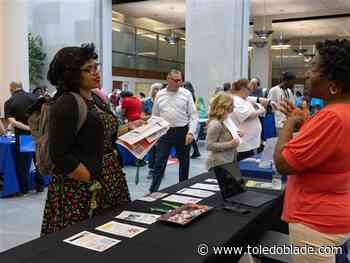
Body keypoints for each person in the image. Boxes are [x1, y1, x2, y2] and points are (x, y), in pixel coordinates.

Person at [41, 43, 130, 235]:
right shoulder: (67, 103)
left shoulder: (95, 98)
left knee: (114, 234)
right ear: (71, 74)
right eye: (88, 69)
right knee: (83, 239)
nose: (95, 72)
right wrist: (90, 178)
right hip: (81, 186)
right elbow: (60, 154)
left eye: (95, 67)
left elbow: (104, 135)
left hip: (109, 176)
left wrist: (131, 128)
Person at [274, 39, 350, 263]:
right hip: (334, 212)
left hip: (316, 223)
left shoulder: (331, 117)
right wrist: (306, 124)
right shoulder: (341, 112)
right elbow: (331, 150)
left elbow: (283, 164)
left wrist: (290, 123)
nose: (307, 74)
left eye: (314, 68)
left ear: (333, 84)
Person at [149, 70, 198, 193]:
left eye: (180, 81)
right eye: (175, 80)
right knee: (159, 162)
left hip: (183, 132)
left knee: (184, 162)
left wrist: (191, 132)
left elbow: (193, 115)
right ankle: (153, 190)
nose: (178, 83)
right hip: (164, 133)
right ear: (168, 79)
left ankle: (183, 188)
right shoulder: (160, 94)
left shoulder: (186, 94)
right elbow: (155, 116)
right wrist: (153, 136)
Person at [4, 81, 44, 194]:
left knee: (23, 165)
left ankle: (24, 189)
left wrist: (28, 128)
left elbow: (13, 122)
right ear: (21, 87)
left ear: (11, 88)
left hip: (23, 136)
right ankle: (40, 186)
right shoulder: (34, 97)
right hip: (37, 135)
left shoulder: (9, 102)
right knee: (38, 161)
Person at [206, 92, 240, 175]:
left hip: (228, 160)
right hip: (219, 164)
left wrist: (237, 134)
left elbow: (225, 136)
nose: (234, 106)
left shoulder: (226, 120)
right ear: (225, 105)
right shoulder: (216, 124)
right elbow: (209, 145)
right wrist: (230, 144)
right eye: (232, 104)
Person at [231, 79, 265, 161]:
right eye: (249, 89)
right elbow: (246, 116)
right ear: (243, 89)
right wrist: (260, 111)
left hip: (249, 142)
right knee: (243, 164)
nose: (250, 92)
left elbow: (254, 102)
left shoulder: (244, 99)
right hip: (244, 142)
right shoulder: (236, 100)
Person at [142, 83, 162, 179]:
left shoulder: (164, 101)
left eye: (159, 89)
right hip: (150, 128)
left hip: (161, 128)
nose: (157, 91)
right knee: (151, 149)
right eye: (155, 89)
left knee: (161, 150)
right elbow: (142, 116)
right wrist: (152, 116)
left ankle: (159, 169)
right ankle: (151, 169)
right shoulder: (146, 102)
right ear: (152, 90)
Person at [183, 81, 201, 159]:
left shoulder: (187, 94)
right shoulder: (192, 95)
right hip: (190, 117)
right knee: (190, 134)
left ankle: (193, 151)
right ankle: (196, 151)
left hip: (187, 117)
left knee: (188, 134)